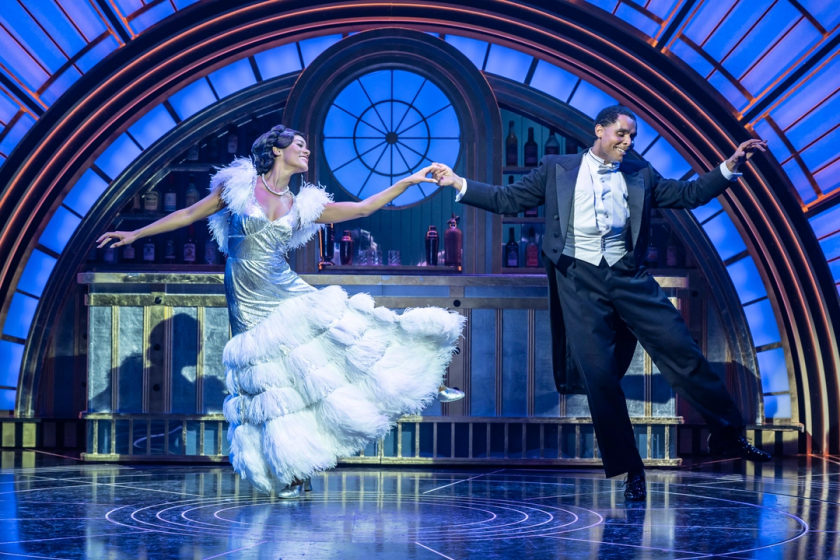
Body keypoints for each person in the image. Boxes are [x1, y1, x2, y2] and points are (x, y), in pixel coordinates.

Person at [97, 124, 465, 498]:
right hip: (246, 298)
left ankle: (425, 375)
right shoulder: (239, 187)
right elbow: (189, 213)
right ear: (276, 149)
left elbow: (363, 207)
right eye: (300, 145)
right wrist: (134, 235)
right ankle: (291, 470)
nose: (306, 151)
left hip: (285, 290)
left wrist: (409, 181)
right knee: (273, 388)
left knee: (349, 332)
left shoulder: (301, 204)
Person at [431, 105, 770, 501]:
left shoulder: (640, 173)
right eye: (621, 134)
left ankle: (727, 436)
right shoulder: (557, 168)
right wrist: (459, 183)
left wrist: (728, 166)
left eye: (632, 137)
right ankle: (631, 469)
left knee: (683, 352)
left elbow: (688, 194)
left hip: (628, 276)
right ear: (600, 131)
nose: (627, 142)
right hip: (579, 281)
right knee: (601, 380)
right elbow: (508, 199)